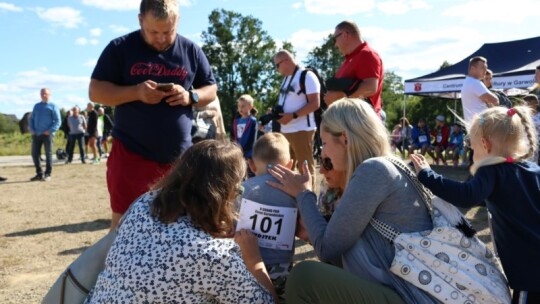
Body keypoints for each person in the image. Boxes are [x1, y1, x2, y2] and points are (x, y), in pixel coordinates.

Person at [268, 98, 437, 303]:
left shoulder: (374, 171)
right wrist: (312, 233)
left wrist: (303, 193)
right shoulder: (380, 170)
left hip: (411, 298)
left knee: (304, 277)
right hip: (403, 294)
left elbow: (327, 248)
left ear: (345, 139)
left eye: (325, 142)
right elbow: (343, 258)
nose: (323, 152)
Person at [85, 140, 276, 303]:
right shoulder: (215, 256)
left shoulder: (143, 205)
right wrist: (254, 260)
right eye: (238, 191)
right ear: (223, 195)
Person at [89, 0, 217, 230]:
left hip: (178, 156)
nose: (161, 38)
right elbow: (96, 91)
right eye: (153, 32)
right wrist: (136, 92)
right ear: (140, 21)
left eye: (168, 31)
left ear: (178, 22)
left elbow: (211, 89)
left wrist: (190, 97)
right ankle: (119, 266)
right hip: (130, 152)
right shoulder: (120, 48)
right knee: (124, 222)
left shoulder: (191, 50)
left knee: (179, 222)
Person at [410, 106, 540, 303]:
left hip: (531, 273)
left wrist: (427, 175)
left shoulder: (492, 170)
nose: (471, 152)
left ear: (485, 145)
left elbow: (467, 196)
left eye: (472, 147)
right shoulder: (532, 169)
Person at [241, 132, 296, 298]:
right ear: (290, 165)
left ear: (252, 166)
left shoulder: (242, 189)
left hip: (246, 264)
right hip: (282, 267)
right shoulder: (295, 192)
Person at [273, 50, 320, 189]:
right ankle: (292, 203)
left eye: (277, 65)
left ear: (286, 60)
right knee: (287, 168)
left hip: (302, 130)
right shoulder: (287, 78)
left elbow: (315, 103)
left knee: (305, 168)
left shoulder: (307, 76)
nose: (277, 69)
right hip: (286, 130)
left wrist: (292, 116)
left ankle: (309, 201)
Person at [325, 20, 384, 118]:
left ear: (345, 35)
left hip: (362, 120)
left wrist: (340, 96)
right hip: (353, 119)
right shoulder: (351, 58)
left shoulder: (366, 54)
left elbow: (370, 87)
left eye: (335, 39)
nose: (335, 44)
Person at [29, 88, 61, 181]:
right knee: (34, 154)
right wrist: (32, 129)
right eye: (42, 93)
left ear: (49, 95)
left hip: (48, 135)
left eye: (45, 93)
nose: (43, 95)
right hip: (36, 134)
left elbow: (58, 121)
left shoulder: (53, 106)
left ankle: (48, 174)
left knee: (48, 154)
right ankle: (39, 173)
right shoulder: (36, 106)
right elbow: (31, 119)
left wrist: (50, 130)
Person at [461, 56, 498, 123]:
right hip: (481, 126)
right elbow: (495, 101)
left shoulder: (468, 81)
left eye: (486, 68)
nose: (485, 71)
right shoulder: (474, 82)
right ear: (472, 69)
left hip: (475, 126)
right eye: (483, 68)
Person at [231, 94, 258, 160]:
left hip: (248, 154)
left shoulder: (253, 121)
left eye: (243, 106)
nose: (240, 108)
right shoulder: (236, 121)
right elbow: (232, 136)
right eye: (239, 106)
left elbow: (253, 138)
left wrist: (244, 150)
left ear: (250, 107)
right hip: (237, 152)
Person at [524, 94, 540, 164]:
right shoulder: (521, 116)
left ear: (536, 103)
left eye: (530, 103)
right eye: (526, 103)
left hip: (537, 144)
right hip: (525, 145)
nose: (528, 105)